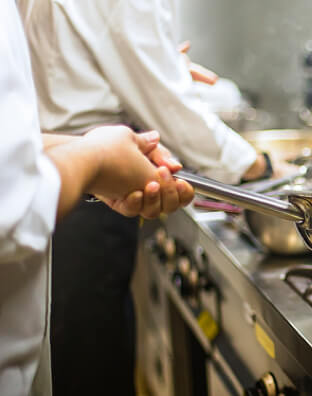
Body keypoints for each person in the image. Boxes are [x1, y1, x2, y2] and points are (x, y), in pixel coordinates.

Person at [17, 1, 294, 394]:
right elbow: (169, 104)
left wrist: (158, 70)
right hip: (73, 187)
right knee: (91, 361)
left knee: (80, 349)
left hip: (68, 167)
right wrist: (259, 166)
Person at [0, 2, 193, 395]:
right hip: (66, 195)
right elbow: (10, 206)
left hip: (69, 178)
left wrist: (88, 153)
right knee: (92, 357)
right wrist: (96, 157)